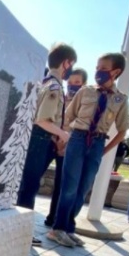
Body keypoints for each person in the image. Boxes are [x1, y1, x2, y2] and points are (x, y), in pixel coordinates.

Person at [46, 52, 129, 247]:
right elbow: (68, 117)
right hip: (78, 138)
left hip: (98, 143)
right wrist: (62, 139)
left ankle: (68, 227)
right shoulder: (85, 92)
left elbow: (122, 131)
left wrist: (104, 149)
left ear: (116, 72)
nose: (98, 72)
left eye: (104, 69)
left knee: (83, 188)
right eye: (97, 68)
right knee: (69, 187)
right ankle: (57, 229)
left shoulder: (120, 100)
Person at [16, 43, 76, 245]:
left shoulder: (43, 82)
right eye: (72, 64)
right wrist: (64, 134)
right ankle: (21, 231)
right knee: (29, 186)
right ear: (66, 62)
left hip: (38, 139)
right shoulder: (54, 87)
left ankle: (19, 229)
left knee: (26, 184)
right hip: (40, 139)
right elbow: (42, 120)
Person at [45, 68, 88, 228]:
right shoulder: (60, 97)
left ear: (84, 84)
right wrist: (56, 138)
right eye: (70, 82)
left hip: (69, 147)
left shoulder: (85, 103)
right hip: (52, 141)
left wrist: (65, 140)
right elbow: (52, 118)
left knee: (62, 184)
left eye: (77, 82)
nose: (73, 86)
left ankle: (53, 218)